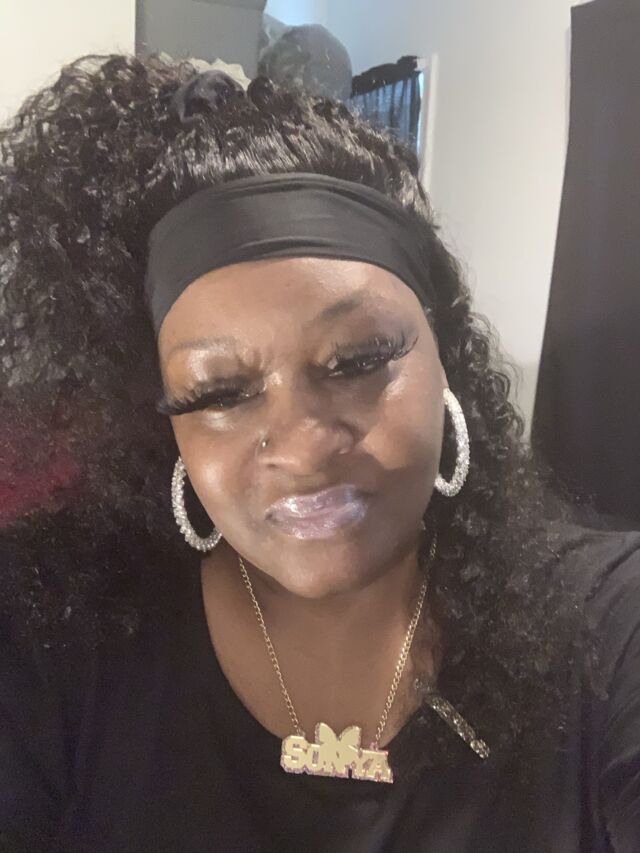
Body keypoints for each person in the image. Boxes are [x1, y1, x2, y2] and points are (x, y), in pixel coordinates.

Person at [0, 53, 638, 853]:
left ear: (446, 355)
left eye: (358, 359)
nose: (303, 447)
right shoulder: (50, 639)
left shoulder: (609, 629)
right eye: (219, 392)